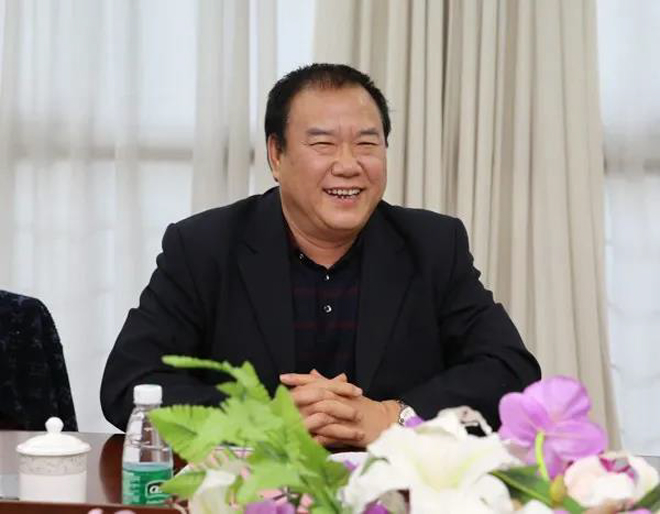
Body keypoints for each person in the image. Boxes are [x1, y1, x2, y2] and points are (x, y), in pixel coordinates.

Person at [100, 63, 541, 447]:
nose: (348, 165)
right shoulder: (204, 247)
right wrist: (262, 421)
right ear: (276, 155)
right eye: (323, 144)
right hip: (251, 491)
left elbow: (510, 370)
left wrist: (394, 416)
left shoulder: (432, 245)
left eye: (367, 144)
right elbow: (129, 384)